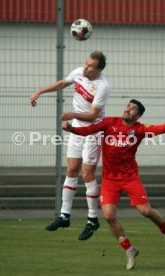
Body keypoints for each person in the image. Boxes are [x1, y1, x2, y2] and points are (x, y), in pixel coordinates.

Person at [61, 99, 165, 270]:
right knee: (108, 216)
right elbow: (89, 130)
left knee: (145, 211)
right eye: (128, 106)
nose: (128, 109)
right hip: (110, 180)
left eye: (133, 108)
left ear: (138, 115)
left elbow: (161, 129)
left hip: (130, 178)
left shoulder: (140, 129)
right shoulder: (109, 123)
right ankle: (129, 250)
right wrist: (71, 129)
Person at [30, 51, 110, 240]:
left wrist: (73, 115)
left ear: (99, 69)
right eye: (86, 63)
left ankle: (92, 219)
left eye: (90, 65)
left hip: (93, 130)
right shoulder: (79, 73)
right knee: (72, 169)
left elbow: (92, 115)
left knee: (87, 174)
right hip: (76, 128)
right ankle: (65, 216)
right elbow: (62, 83)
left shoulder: (103, 86)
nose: (86, 67)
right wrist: (39, 92)